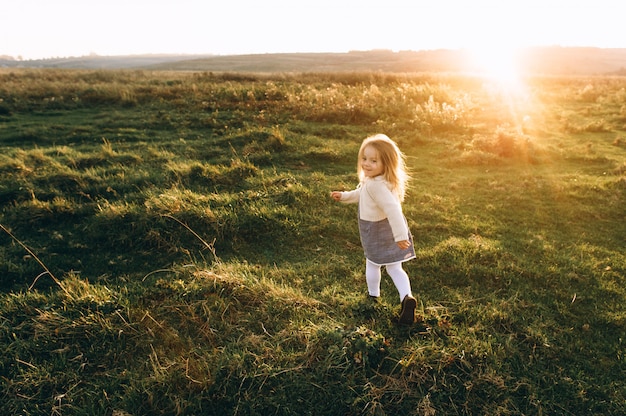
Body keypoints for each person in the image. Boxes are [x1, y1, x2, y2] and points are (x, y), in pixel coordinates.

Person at [331, 134, 417, 324]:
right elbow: (360, 194)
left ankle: (373, 296)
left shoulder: (375, 186)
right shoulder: (382, 181)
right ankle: (406, 297)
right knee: (395, 267)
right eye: (364, 158)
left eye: (373, 161)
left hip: (379, 231)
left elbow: (392, 208)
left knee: (373, 263)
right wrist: (344, 196)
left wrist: (401, 236)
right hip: (391, 229)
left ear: (386, 164)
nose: (366, 164)